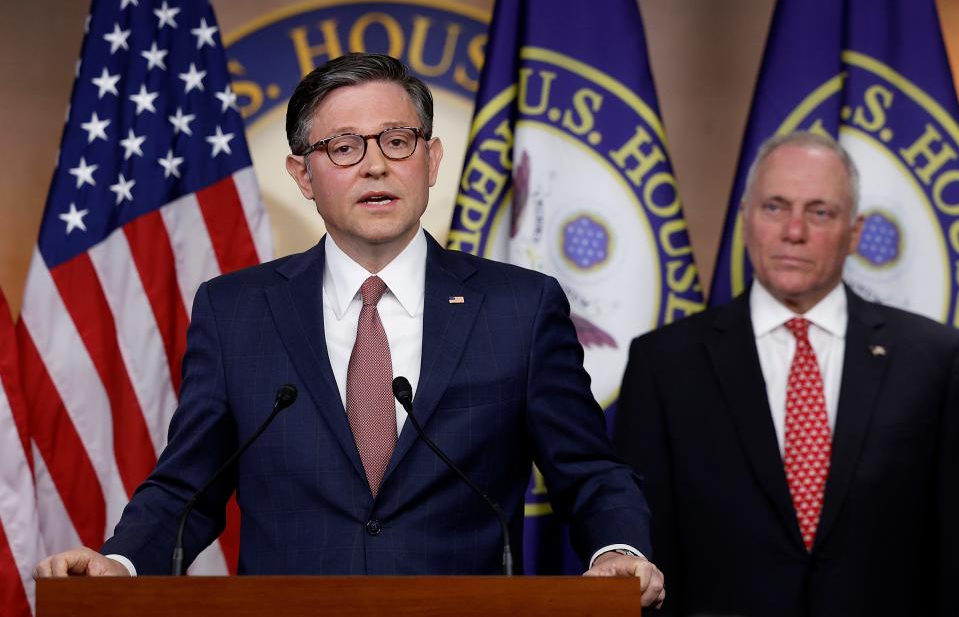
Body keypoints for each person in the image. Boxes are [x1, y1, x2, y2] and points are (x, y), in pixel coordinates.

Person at [34, 53, 665, 606]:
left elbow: (591, 471)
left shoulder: (519, 308)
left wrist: (619, 549)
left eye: (397, 140)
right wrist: (118, 564)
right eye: (343, 147)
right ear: (303, 175)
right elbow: (187, 487)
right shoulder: (237, 312)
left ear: (431, 158)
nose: (375, 166)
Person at [613, 130, 959, 617]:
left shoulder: (935, 358)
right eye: (774, 207)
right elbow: (645, 540)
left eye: (820, 212)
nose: (793, 231)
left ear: (855, 232)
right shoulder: (666, 362)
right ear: (745, 220)